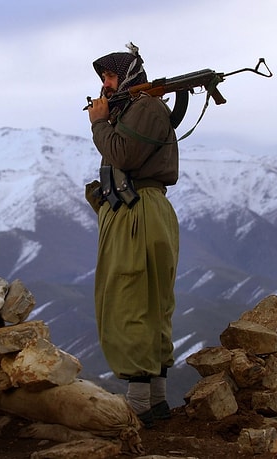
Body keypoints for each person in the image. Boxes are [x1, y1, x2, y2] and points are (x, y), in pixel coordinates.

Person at [85, 43, 180, 428]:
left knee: (130, 297)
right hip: (139, 210)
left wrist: (99, 122)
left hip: (138, 212)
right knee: (149, 299)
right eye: (103, 78)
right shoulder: (138, 109)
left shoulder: (146, 108)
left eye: (110, 76)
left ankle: (138, 402)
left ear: (128, 76)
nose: (105, 85)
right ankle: (155, 400)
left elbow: (122, 155)